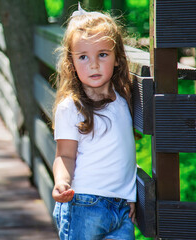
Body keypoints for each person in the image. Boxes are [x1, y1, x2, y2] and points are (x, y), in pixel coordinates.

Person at [52, 3, 137, 240]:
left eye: (102, 54)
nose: (94, 64)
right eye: (83, 57)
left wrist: (128, 196)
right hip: (84, 203)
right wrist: (61, 182)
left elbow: (122, 153)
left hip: (120, 208)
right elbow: (64, 155)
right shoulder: (71, 106)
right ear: (72, 64)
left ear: (117, 58)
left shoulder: (122, 99)